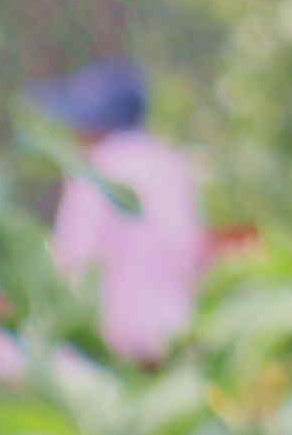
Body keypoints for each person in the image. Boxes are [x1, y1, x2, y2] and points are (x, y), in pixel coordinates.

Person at [38, 61, 208, 362]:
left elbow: (73, 266)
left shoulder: (95, 173)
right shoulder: (171, 163)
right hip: (177, 338)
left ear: (92, 126)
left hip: (114, 347)